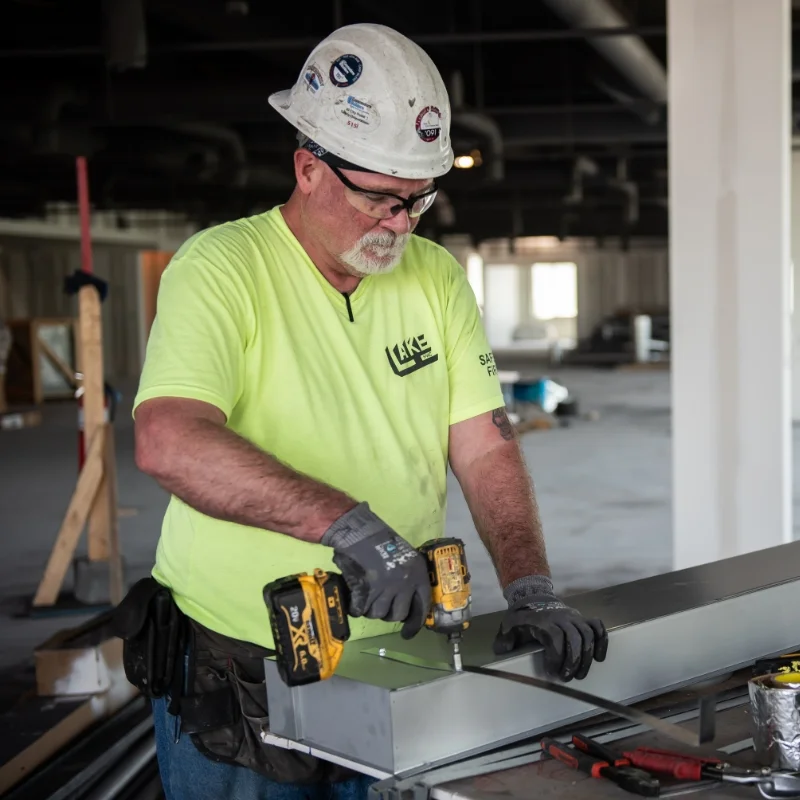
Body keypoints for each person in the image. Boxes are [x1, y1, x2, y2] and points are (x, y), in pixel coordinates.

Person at [130, 22, 608, 800]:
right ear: (308, 169)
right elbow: (168, 441)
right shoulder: (221, 269)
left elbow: (484, 445)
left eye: (418, 200)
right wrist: (348, 528)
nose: (400, 224)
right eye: (380, 198)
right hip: (243, 670)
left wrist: (531, 587)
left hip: (397, 656)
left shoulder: (435, 278)